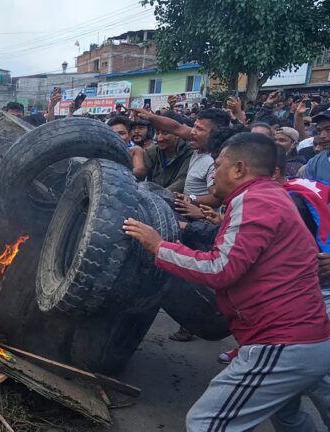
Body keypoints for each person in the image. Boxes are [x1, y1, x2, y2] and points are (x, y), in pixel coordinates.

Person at [124, 132, 330, 431]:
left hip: (283, 341)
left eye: (218, 165)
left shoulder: (254, 198)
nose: (213, 175)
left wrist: (159, 246)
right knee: (290, 419)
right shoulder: (271, 196)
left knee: (207, 423)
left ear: (239, 169)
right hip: (304, 338)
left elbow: (221, 269)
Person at [143, 115, 192, 193]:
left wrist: (160, 195)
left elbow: (182, 181)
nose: (159, 138)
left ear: (177, 134)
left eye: (165, 133)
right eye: (157, 133)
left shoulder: (189, 152)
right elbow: (142, 174)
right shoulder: (151, 152)